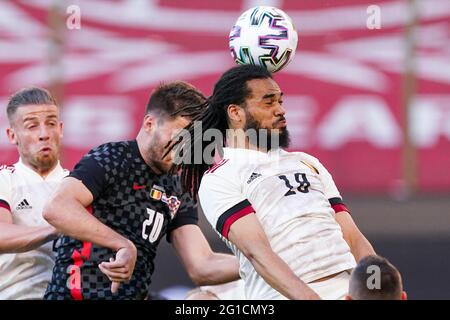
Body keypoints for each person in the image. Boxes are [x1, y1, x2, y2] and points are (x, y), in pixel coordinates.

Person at [169, 65, 376, 300]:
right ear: (236, 113)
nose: (280, 110)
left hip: (348, 288)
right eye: (269, 103)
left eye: (280, 101)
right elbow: (258, 254)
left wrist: (378, 287)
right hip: (288, 296)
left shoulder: (307, 163)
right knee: (197, 301)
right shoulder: (220, 178)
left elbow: (352, 236)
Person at [42, 81, 239, 300]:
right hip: (80, 295)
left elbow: (202, 265)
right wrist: (122, 244)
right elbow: (56, 208)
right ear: (149, 124)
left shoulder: (179, 186)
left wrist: (263, 261)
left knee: (206, 300)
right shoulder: (113, 158)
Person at [0, 87, 68, 299]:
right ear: (12, 135)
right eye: (31, 126)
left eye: (51, 124)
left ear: (61, 128)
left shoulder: (77, 184)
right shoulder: (5, 180)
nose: (44, 134)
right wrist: (56, 229)